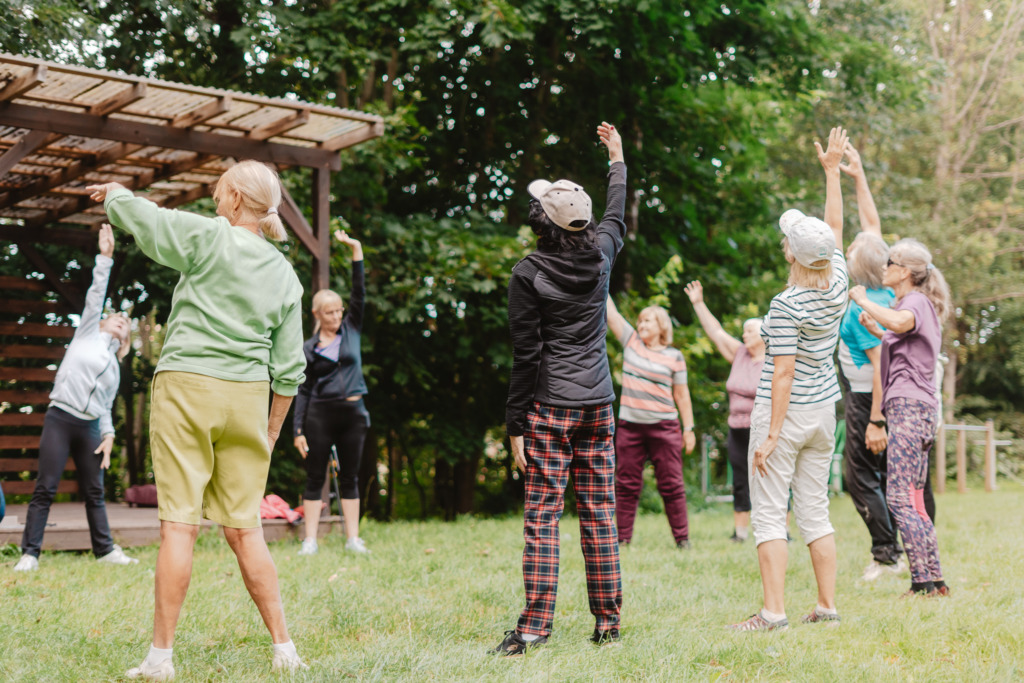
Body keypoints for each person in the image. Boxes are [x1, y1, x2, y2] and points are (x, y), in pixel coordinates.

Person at [86, 160, 309, 679]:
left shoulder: (210, 237)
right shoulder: (285, 274)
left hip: (188, 388)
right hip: (248, 399)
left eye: (220, 189)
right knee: (246, 529)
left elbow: (152, 221)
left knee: (179, 527)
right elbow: (289, 370)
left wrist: (116, 193)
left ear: (236, 199)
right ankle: (285, 650)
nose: (214, 196)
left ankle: (160, 660)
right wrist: (271, 430)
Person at [492, 122, 626, 655]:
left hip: (550, 407)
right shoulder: (603, 253)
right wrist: (616, 158)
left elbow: (526, 356)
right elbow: (616, 211)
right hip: (599, 405)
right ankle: (608, 626)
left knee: (543, 517)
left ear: (541, 222)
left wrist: (514, 425)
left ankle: (532, 629)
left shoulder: (527, 273)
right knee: (600, 515)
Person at [728, 126, 851, 632]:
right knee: (815, 511)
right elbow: (835, 226)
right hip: (824, 412)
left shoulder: (785, 305)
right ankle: (826, 607)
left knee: (768, 513)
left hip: (788, 413)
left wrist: (772, 434)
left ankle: (773, 613)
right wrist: (832, 173)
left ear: (791, 255)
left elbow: (781, 373)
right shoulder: (838, 279)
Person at [13, 224, 137, 572]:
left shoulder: (115, 368)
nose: (121, 322)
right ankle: (30, 554)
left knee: (95, 491)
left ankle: (106, 551)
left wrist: (108, 435)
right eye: (116, 318)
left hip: (90, 427)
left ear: (126, 339)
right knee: (46, 487)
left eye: (126, 323)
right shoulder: (86, 334)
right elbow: (96, 295)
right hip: (61, 418)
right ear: (102, 323)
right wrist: (105, 256)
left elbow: (106, 407)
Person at [851, 237, 952, 598]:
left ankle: (920, 583)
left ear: (906, 272)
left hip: (910, 408)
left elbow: (902, 322)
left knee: (898, 499)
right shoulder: (915, 305)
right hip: (917, 408)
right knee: (914, 498)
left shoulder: (915, 302)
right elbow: (904, 339)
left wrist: (864, 300)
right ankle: (935, 582)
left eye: (891, 263)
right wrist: (878, 331)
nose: (885, 268)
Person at [836, 144, 907, 581]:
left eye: (849, 251)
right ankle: (897, 549)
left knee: (859, 477)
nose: (846, 250)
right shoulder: (886, 287)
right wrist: (858, 175)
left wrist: (875, 421)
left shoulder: (861, 310)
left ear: (857, 267)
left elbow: (881, 365)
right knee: (882, 474)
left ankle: (886, 554)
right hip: (876, 396)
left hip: (870, 398)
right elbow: (871, 229)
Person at [292, 229, 370, 556]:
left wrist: (356, 250)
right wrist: (297, 430)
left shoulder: (351, 329)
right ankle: (309, 540)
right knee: (315, 477)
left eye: (339, 310)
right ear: (317, 315)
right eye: (330, 312)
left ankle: (353, 539)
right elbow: (303, 389)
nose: (337, 316)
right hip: (319, 415)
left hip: (353, 414)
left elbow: (359, 291)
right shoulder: (309, 348)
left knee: (350, 476)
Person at [606, 297, 695, 548]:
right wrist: (600, 274)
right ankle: (622, 539)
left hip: (665, 428)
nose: (641, 324)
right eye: (640, 320)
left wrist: (689, 429)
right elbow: (611, 314)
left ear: (661, 326)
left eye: (648, 320)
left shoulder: (674, 356)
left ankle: (682, 539)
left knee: (672, 484)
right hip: (630, 427)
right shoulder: (631, 342)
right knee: (626, 484)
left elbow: (682, 395)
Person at [684, 281, 765, 543]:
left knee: (769, 478)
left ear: (765, 335)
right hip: (737, 429)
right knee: (740, 479)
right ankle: (740, 533)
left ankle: (781, 531)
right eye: (744, 331)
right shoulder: (740, 355)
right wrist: (698, 303)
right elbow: (716, 331)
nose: (745, 335)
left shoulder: (775, 361)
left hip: (763, 429)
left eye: (750, 331)